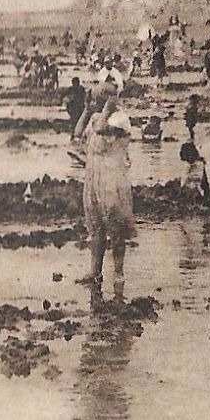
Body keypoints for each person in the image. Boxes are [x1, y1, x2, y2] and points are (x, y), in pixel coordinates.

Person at [77, 87, 134, 286]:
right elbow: (77, 134)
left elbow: (101, 129)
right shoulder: (95, 117)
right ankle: (95, 272)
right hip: (94, 177)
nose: (96, 100)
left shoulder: (120, 119)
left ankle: (118, 273)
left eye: (100, 97)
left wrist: (109, 108)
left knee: (116, 228)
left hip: (112, 178)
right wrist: (85, 110)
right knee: (96, 227)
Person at [180, 140, 210, 209]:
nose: (189, 160)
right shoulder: (189, 163)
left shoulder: (205, 158)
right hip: (202, 162)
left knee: (206, 184)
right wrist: (182, 185)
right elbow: (184, 175)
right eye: (188, 159)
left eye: (190, 159)